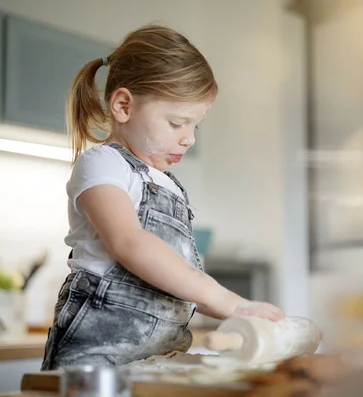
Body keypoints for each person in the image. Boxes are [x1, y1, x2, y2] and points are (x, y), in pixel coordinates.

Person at [40, 24, 285, 370]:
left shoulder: (169, 186)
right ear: (123, 106)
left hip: (157, 359)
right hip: (97, 359)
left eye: (194, 126)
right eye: (176, 123)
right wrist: (228, 301)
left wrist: (240, 311)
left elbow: (179, 280)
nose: (189, 139)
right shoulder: (103, 164)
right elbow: (129, 242)